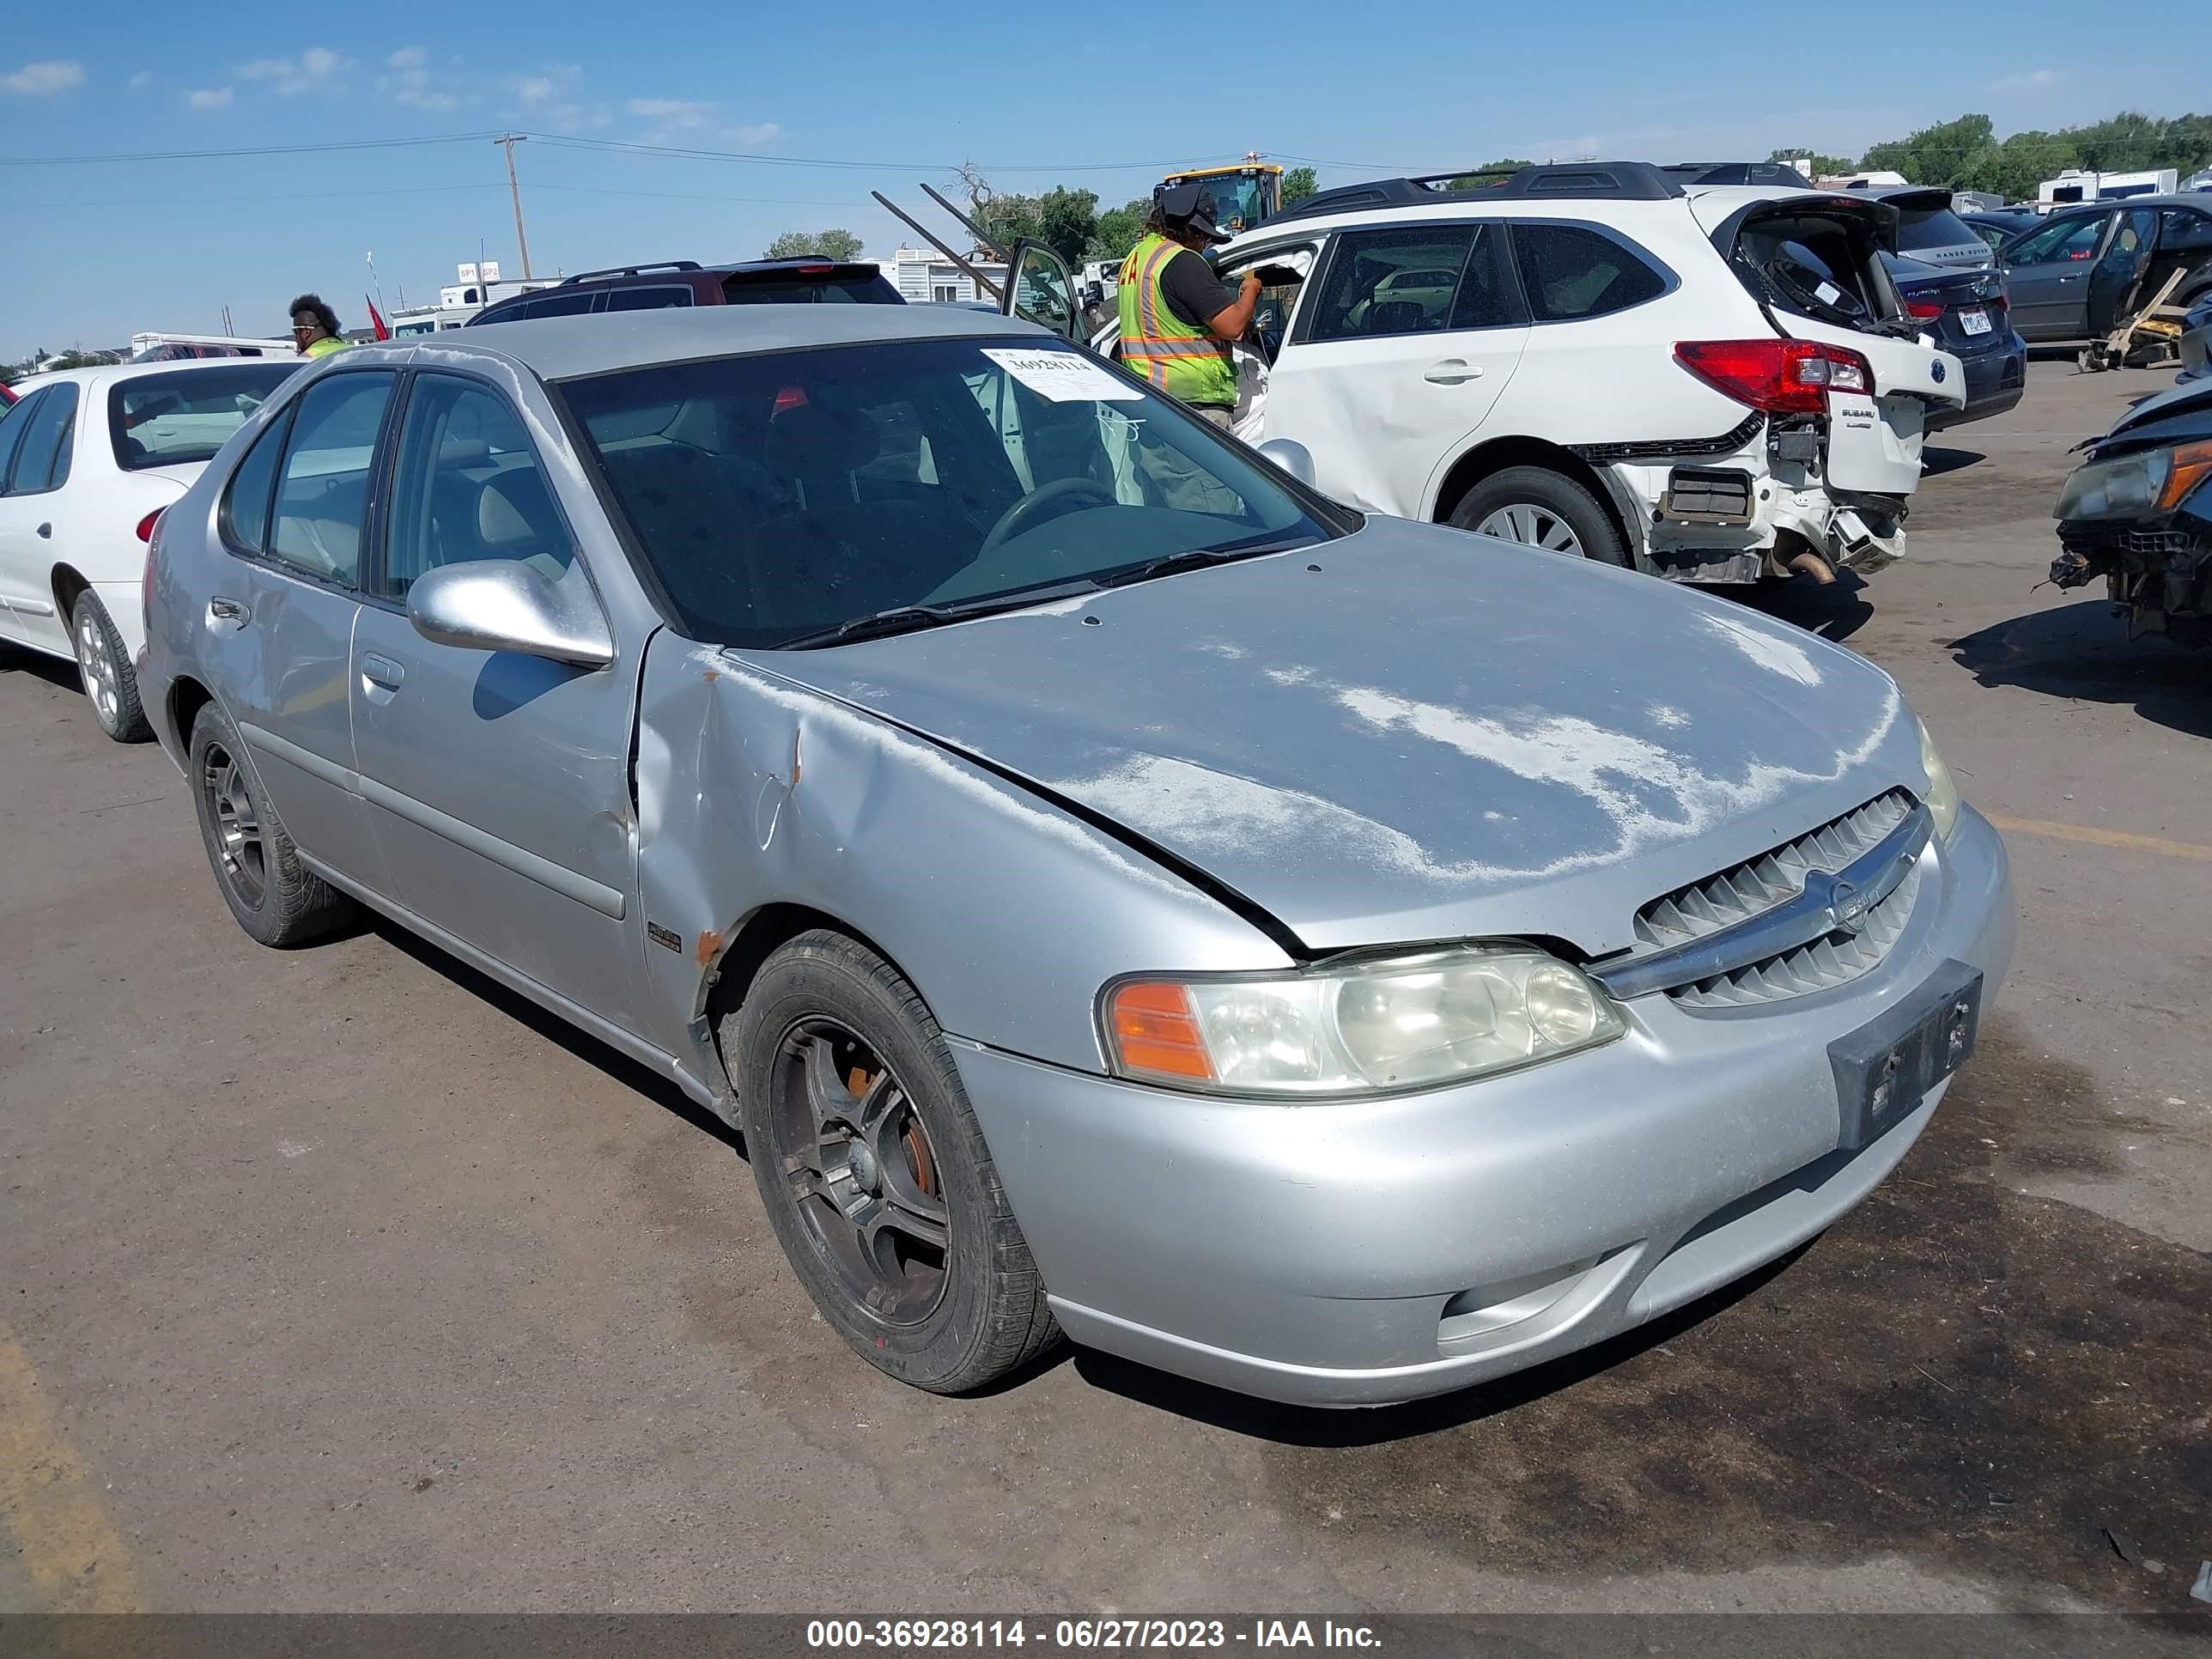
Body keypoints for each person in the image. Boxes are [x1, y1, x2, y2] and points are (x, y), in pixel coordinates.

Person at [1116, 183, 1262, 428]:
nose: (1204, 243)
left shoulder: (1137, 258)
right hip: (1193, 408)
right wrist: (1252, 290)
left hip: (1150, 403)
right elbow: (1233, 326)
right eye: (1202, 235)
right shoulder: (1181, 261)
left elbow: (1169, 322)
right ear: (1188, 228)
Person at [288, 295, 350, 359]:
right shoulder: (354, 351)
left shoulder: (306, 359)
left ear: (306, 333)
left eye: (296, 332)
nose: (295, 338)